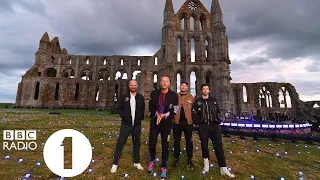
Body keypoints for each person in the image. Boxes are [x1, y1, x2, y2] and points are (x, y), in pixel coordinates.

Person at [192, 84, 235, 178]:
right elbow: (194, 112)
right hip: (203, 126)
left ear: (209, 90)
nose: (205, 90)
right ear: (201, 91)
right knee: (204, 145)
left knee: (218, 146)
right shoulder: (197, 101)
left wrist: (218, 120)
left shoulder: (214, 100)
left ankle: (223, 167)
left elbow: (218, 111)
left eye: (206, 89)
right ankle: (206, 164)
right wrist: (197, 123)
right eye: (203, 89)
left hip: (214, 126)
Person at [111, 80, 145, 173]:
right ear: (129, 86)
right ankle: (115, 163)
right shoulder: (124, 97)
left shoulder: (141, 98)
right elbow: (120, 109)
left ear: (137, 86)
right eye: (131, 85)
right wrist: (125, 118)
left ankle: (136, 162)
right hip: (126, 125)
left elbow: (142, 109)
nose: (133, 86)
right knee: (121, 142)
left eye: (134, 85)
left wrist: (139, 119)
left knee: (137, 143)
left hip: (137, 125)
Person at [148, 76, 178, 179]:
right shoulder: (154, 93)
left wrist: (164, 115)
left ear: (169, 83)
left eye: (166, 81)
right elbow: (150, 106)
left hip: (166, 123)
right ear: (160, 82)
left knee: (165, 144)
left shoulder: (174, 95)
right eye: (163, 81)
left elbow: (176, 110)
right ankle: (152, 160)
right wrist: (157, 113)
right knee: (152, 142)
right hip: (155, 122)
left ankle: (164, 167)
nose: (164, 83)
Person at [172, 81, 194, 169]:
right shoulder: (175, 96)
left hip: (188, 123)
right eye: (182, 86)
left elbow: (194, 109)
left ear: (187, 88)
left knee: (189, 142)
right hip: (177, 123)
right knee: (176, 141)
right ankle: (176, 158)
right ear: (180, 87)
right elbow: (172, 108)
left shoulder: (191, 97)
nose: (183, 87)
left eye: (185, 86)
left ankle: (189, 159)